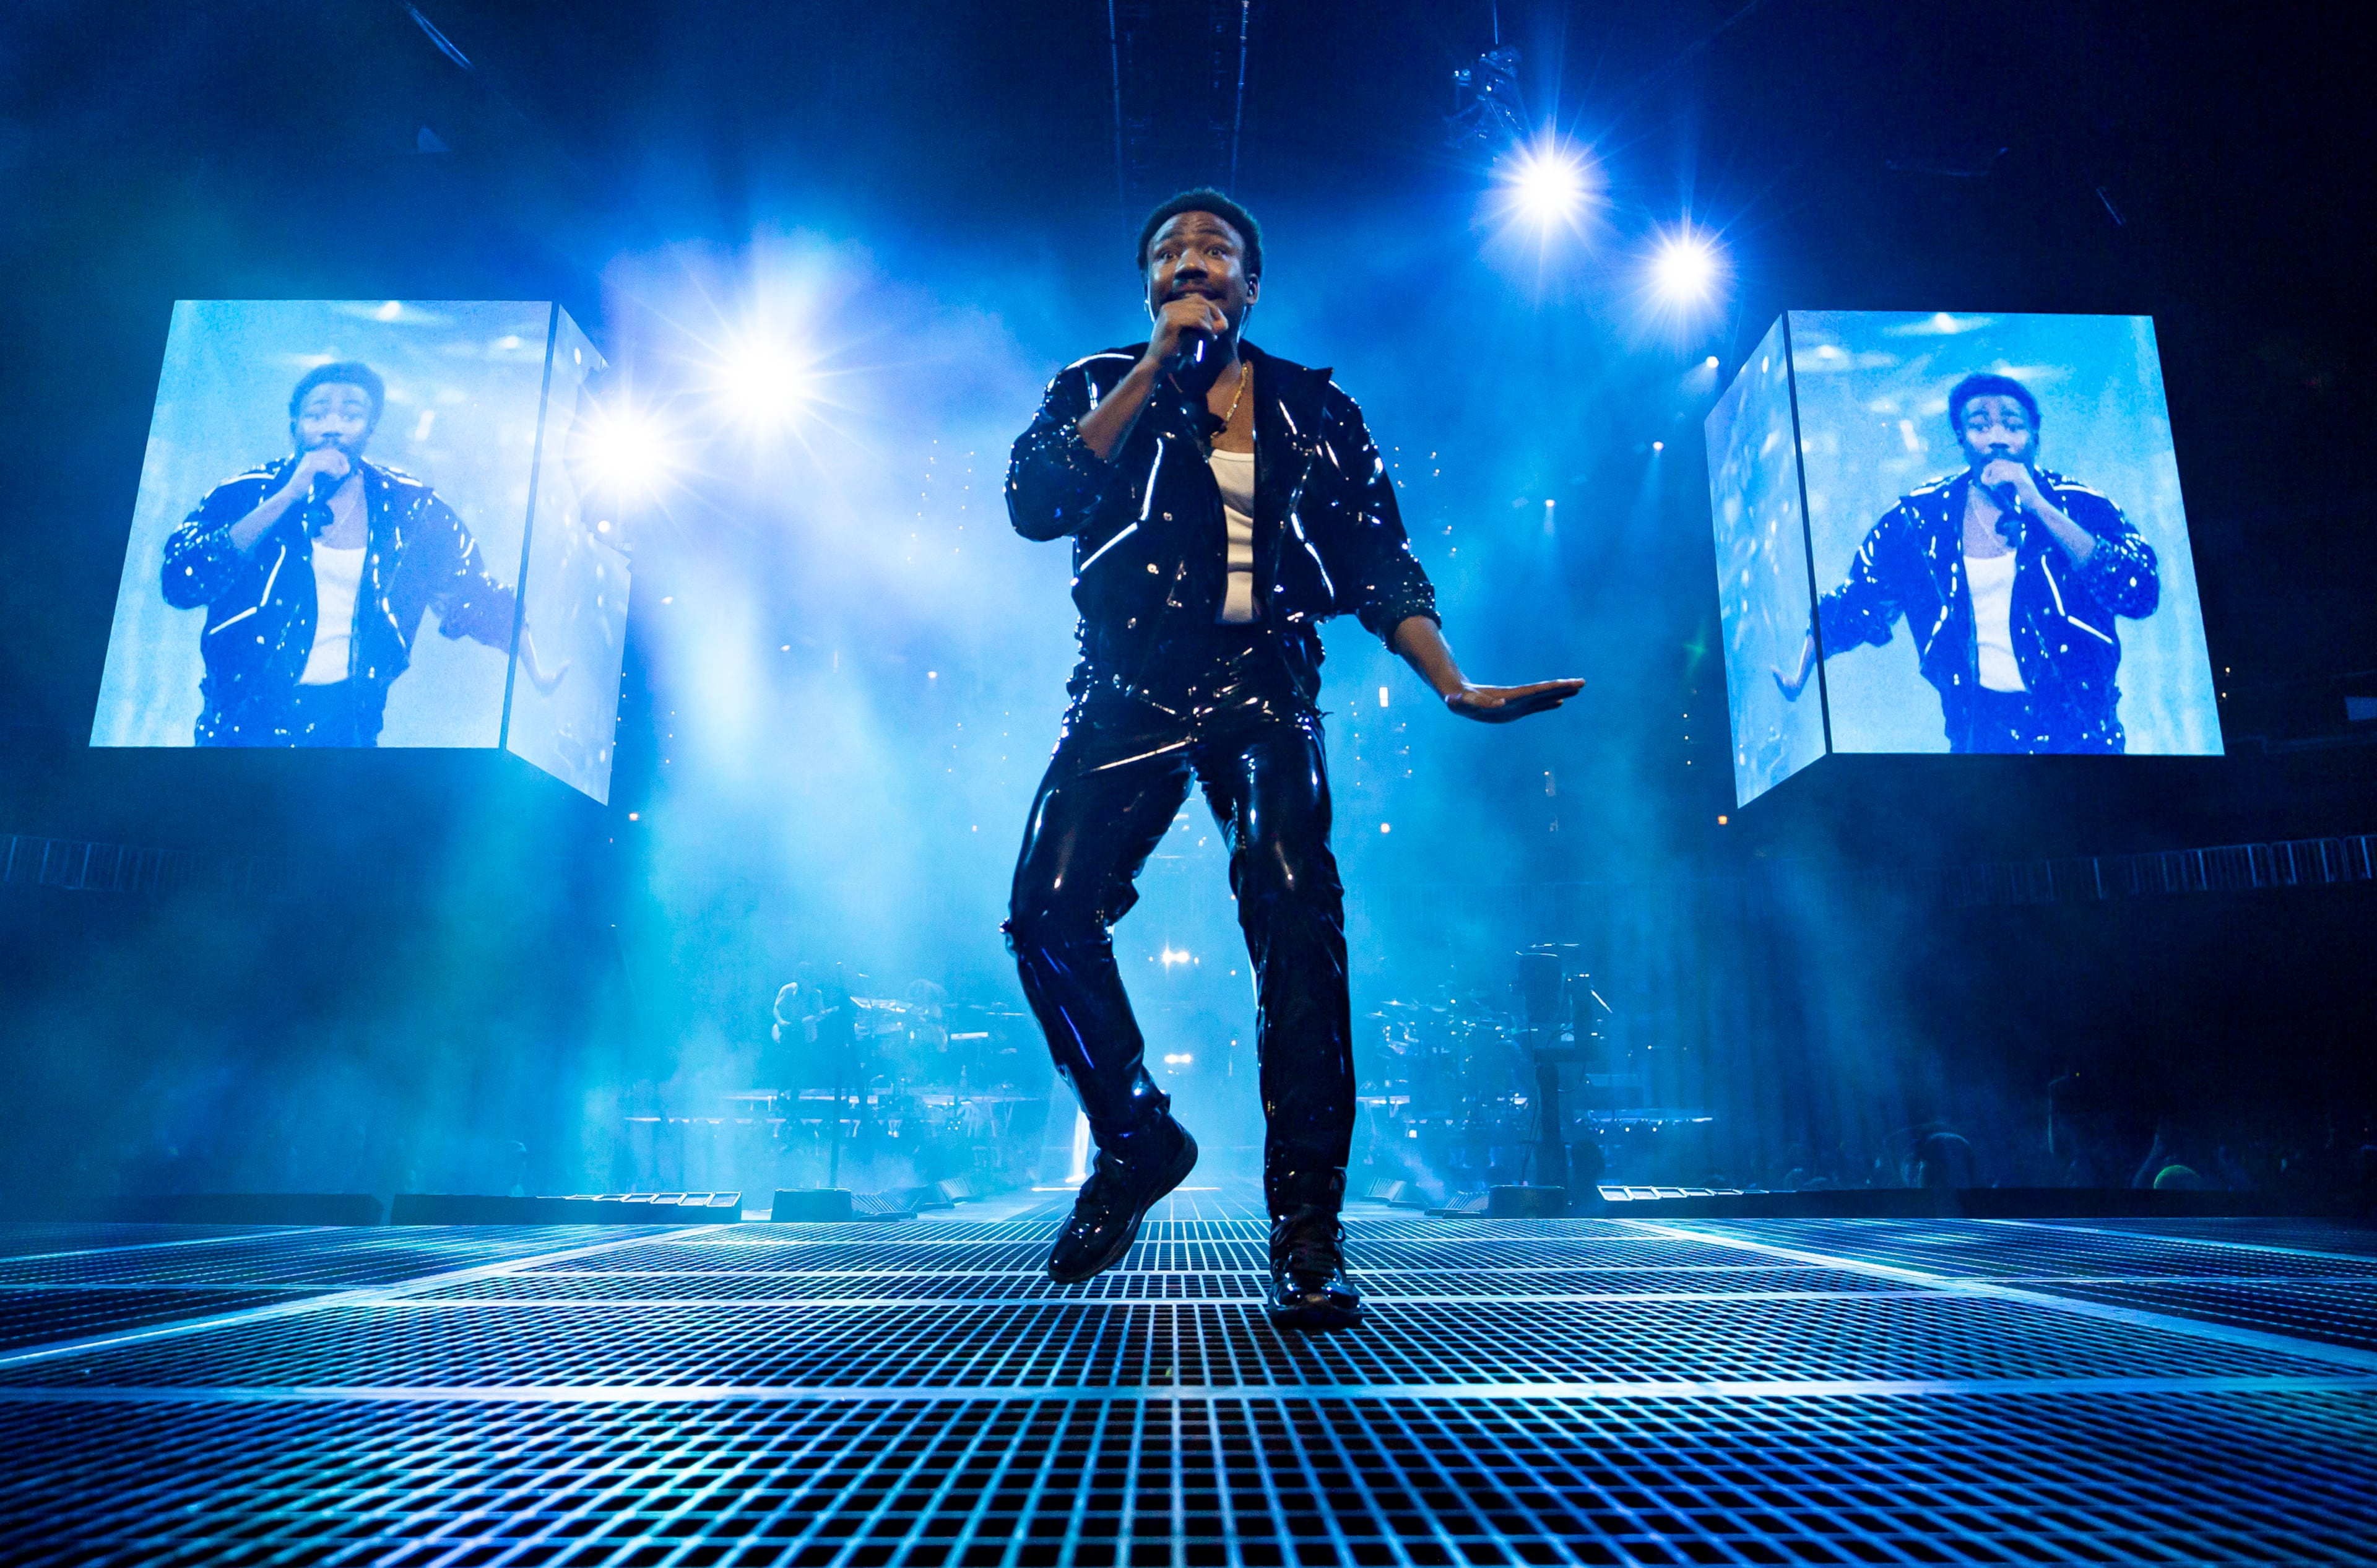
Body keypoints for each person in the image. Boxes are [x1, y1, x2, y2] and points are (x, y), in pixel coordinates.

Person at [1003, 189, 1583, 1328]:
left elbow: (1378, 561)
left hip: (1262, 683)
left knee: (1296, 919)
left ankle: (1308, 1231)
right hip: (1125, 685)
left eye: (1213, 249)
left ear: (1251, 284)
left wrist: (1452, 681)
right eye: (1168, 252)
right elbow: (1036, 503)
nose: (1189, 261)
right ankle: (1137, 1137)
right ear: (1149, 286)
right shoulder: (1094, 383)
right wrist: (1151, 370)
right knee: (1046, 913)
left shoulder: (1315, 409)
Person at [161, 360, 558, 746]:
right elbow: (181, 580)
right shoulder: (245, 492)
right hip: (238, 725)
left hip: (346, 730)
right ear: (294, 425)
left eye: (351, 416)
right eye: (317, 415)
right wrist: (288, 496)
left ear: (370, 428)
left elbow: (476, 592)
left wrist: (537, 670)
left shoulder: (408, 509)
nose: (333, 427)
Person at [1776, 373, 2160, 753]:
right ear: (1961, 439)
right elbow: (1856, 602)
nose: (1997, 437)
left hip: (2086, 740)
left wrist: (2040, 507)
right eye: (1980, 426)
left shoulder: (2080, 504)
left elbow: (2140, 592)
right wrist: (1800, 674)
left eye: (2013, 426)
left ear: (2035, 436)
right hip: (1980, 741)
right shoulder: (1921, 519)